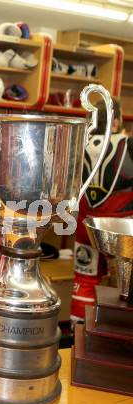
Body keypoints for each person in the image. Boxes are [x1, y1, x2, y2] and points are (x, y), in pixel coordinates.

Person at [71, 98, 133, 323]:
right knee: (125, 289)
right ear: (116, 121)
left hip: (85, 228)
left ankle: (78, 334)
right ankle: (118, 337)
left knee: (84, 282)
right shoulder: (128, 145)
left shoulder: (77, 143)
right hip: (121, 231)